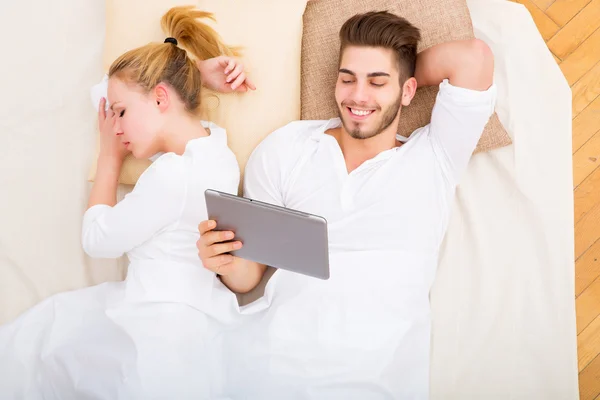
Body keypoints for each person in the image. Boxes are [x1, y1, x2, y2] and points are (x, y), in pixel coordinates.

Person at [198, 11, 496, 398]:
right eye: (348, 78)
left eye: (377, 82)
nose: (357, 96)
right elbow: (248, 277)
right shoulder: (287, 148)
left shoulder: (435, 156)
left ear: (408, 91)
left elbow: (473, 58)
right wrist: (220, 259)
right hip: (272, 367)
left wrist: (400, 74)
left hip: (376, 380)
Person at [0, 6, 253, 399]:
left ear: (160, 98)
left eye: (120, 113)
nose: (114, 127)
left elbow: (97, 239)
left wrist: (109, 159)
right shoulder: (215, 148)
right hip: (197, 315)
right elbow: (111, 94)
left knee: (32, 345)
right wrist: (192, 75)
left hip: (156, 323)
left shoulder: (170, 175)